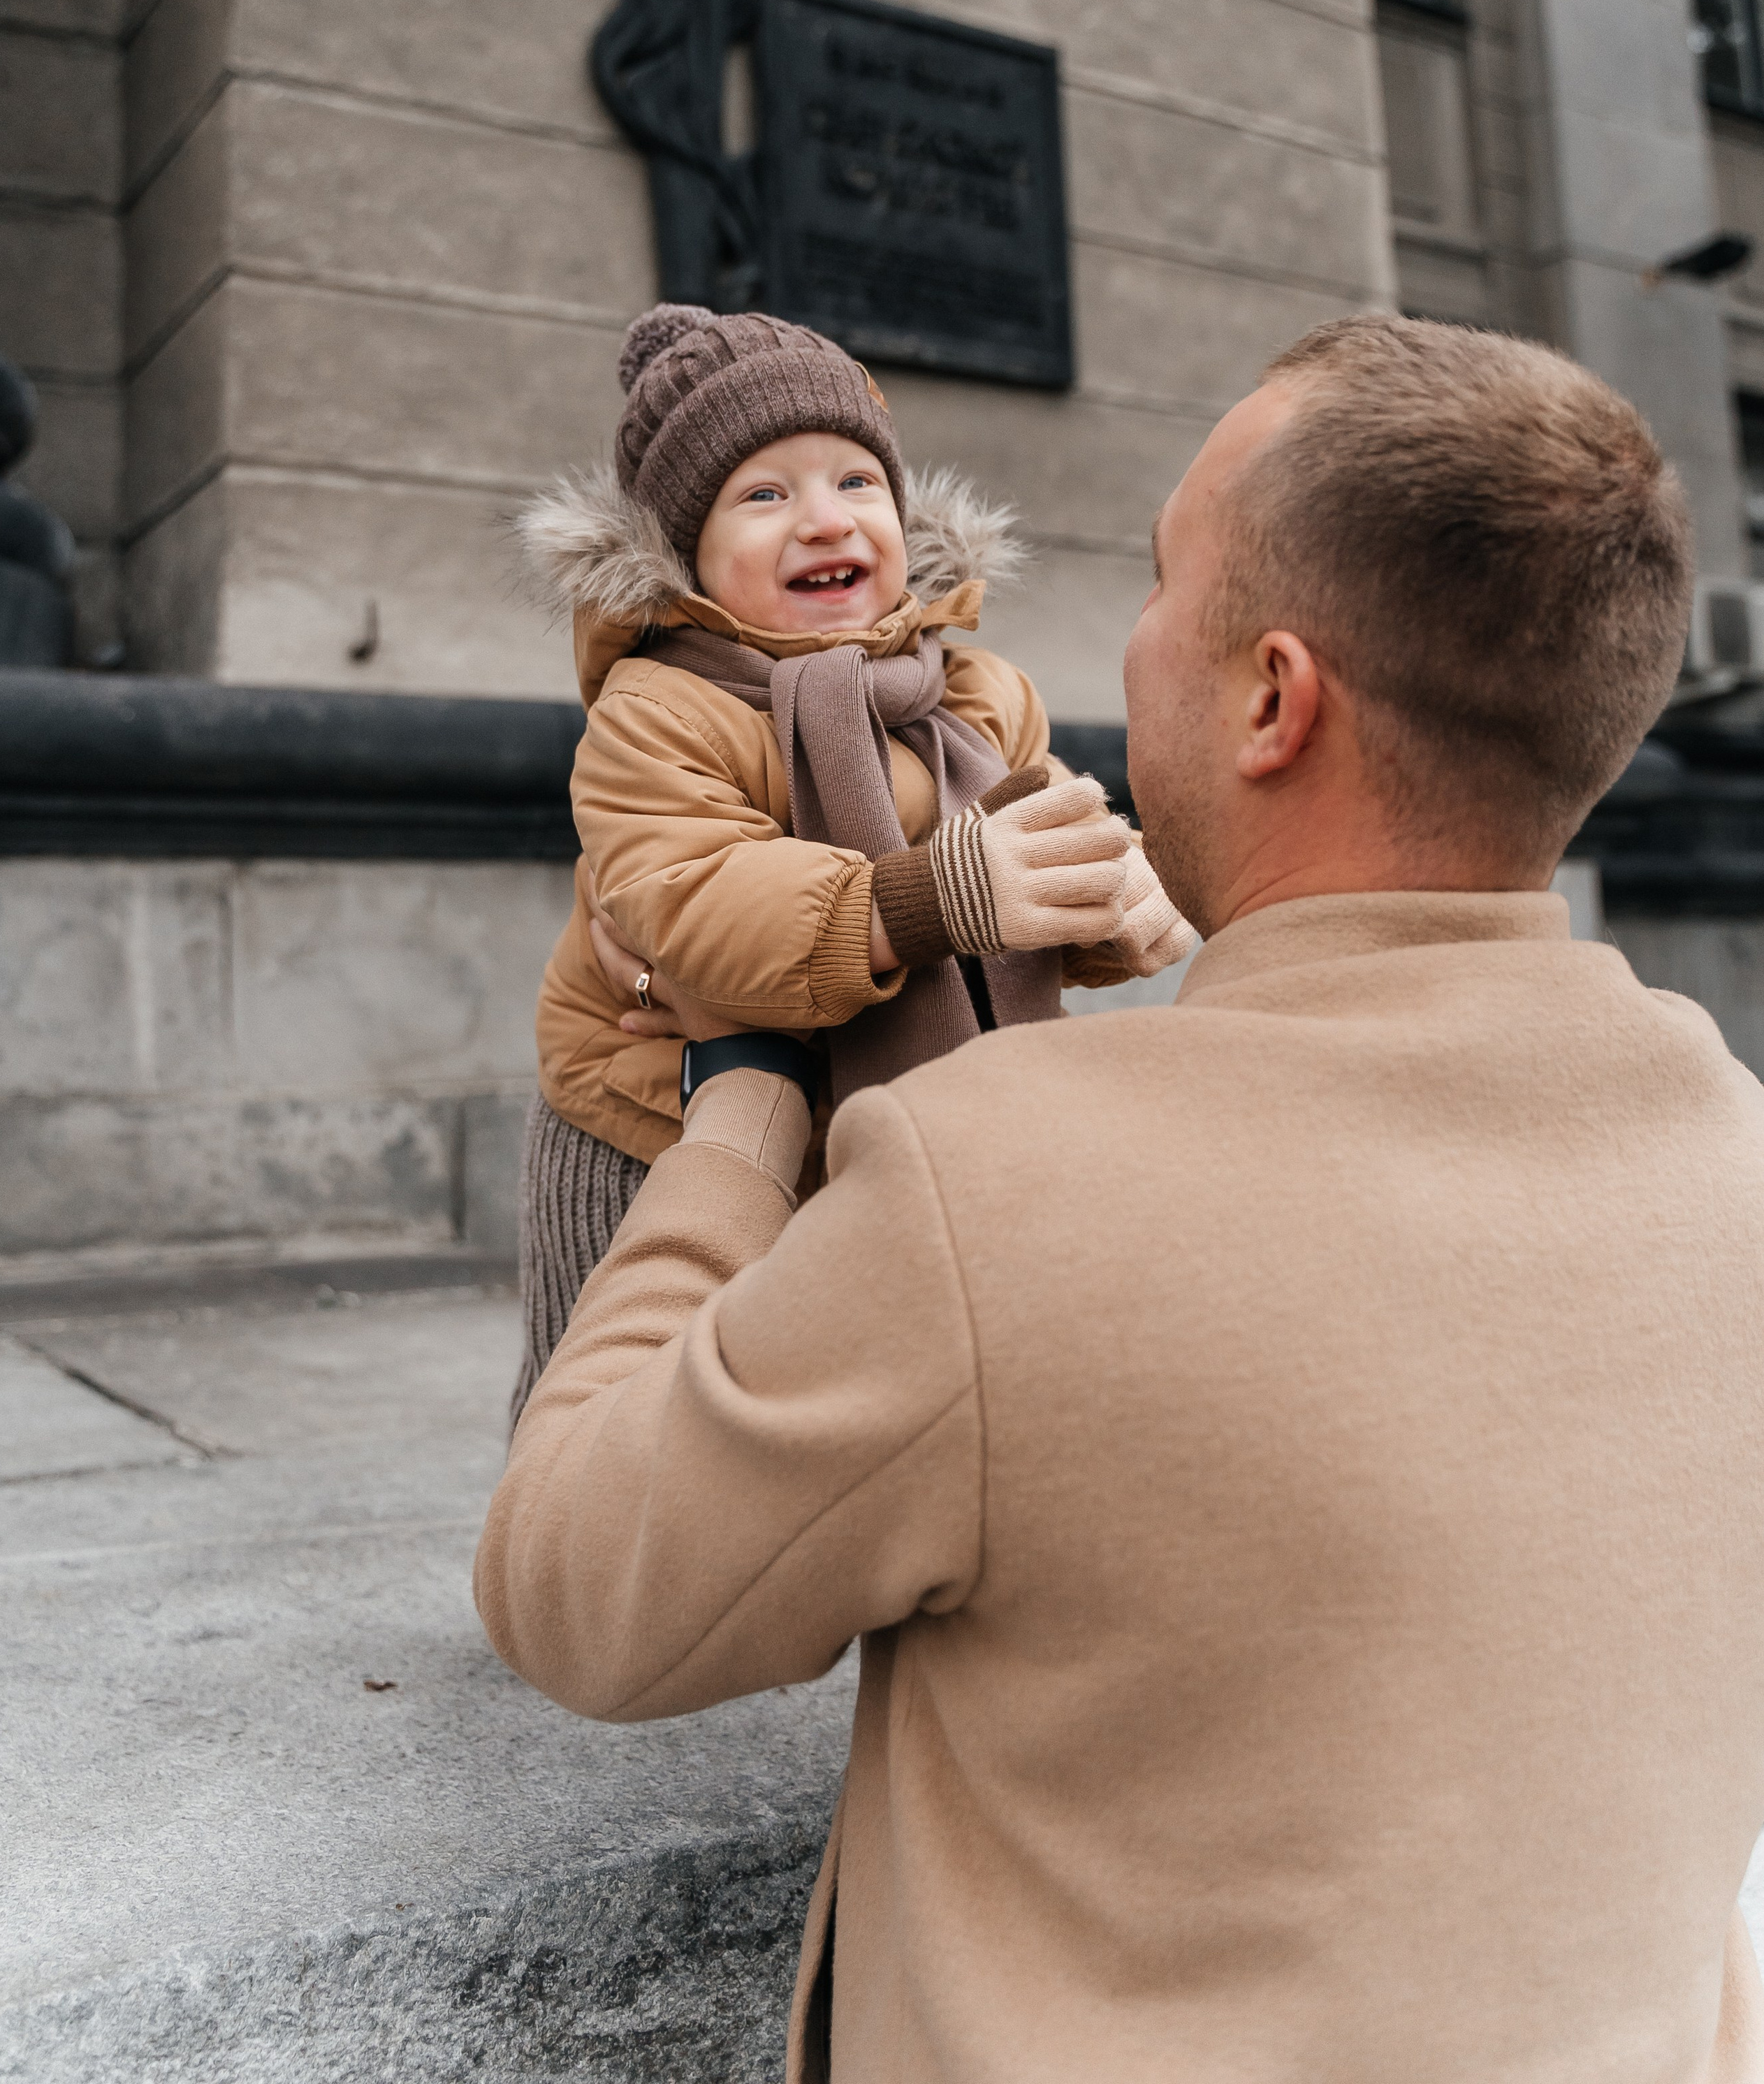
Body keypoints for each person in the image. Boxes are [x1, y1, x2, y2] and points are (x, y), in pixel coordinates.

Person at [476, 316, 1764, 2084]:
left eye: (1162, 582)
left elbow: (570, 1588)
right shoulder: (1737, 1152)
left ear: (1269, 699)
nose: (1118, 642)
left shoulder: (987, 1190)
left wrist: (734, 1091)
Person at [506, 301, 1188, 1422]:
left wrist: (1114, 894)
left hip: (900, 1123)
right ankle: (577, 1570)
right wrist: (937, 894)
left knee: (855, 1409)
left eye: (856, 483)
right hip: (661, 1119)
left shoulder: (972, 696)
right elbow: (698, 901)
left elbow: (1035, 843)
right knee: (631, 1396)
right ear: (687, 555)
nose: (825, 520)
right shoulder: (661, 709)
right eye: (765, 496)